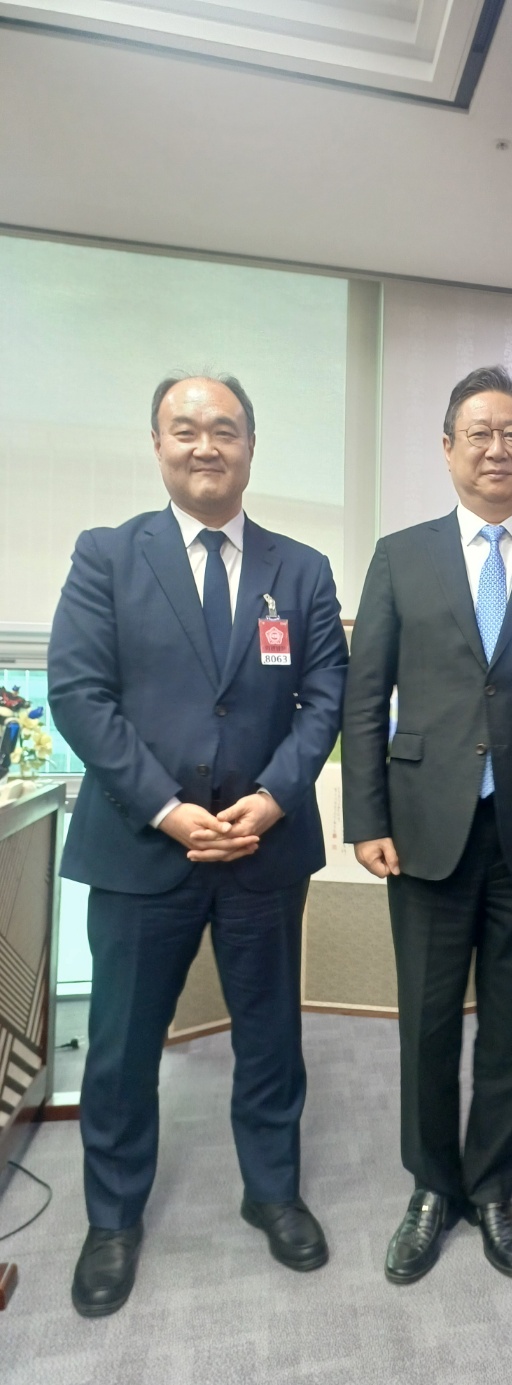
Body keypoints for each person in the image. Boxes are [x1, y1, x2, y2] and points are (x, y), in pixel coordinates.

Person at [48, 375, 348, 1317]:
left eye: (225, 429)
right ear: (157, 444)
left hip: (264, 848)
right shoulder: (107, 555)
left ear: (251, 446)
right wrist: (168, 809)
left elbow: (325, 697)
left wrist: (273, 799)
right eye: (186, 429)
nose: (205, 445)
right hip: (143, 849)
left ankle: (273, 1192)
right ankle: (113, 1219)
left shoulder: (302, 570)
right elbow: (79, 694)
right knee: (122, 1047)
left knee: (271, 1036)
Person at [342, 365, 512, 1284]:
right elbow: (365, 697)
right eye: (480, 433)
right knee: (425, 1021)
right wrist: (365, 816)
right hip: (422, 826)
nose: (497, 449)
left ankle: (492, 1186)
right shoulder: (400, 556)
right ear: (448, 447)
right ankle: (431, 1186)